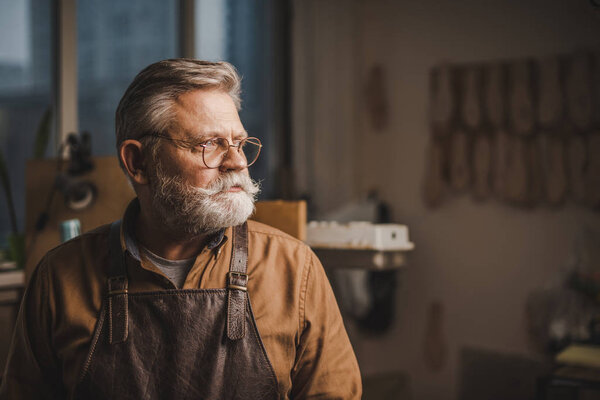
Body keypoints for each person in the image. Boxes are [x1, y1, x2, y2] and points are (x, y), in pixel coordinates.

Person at [0, 59, 361, 399]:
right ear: (138, 162)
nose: (236, 162)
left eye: (239, 142)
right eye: (209, 144)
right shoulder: (58, 278)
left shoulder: (295, 270)